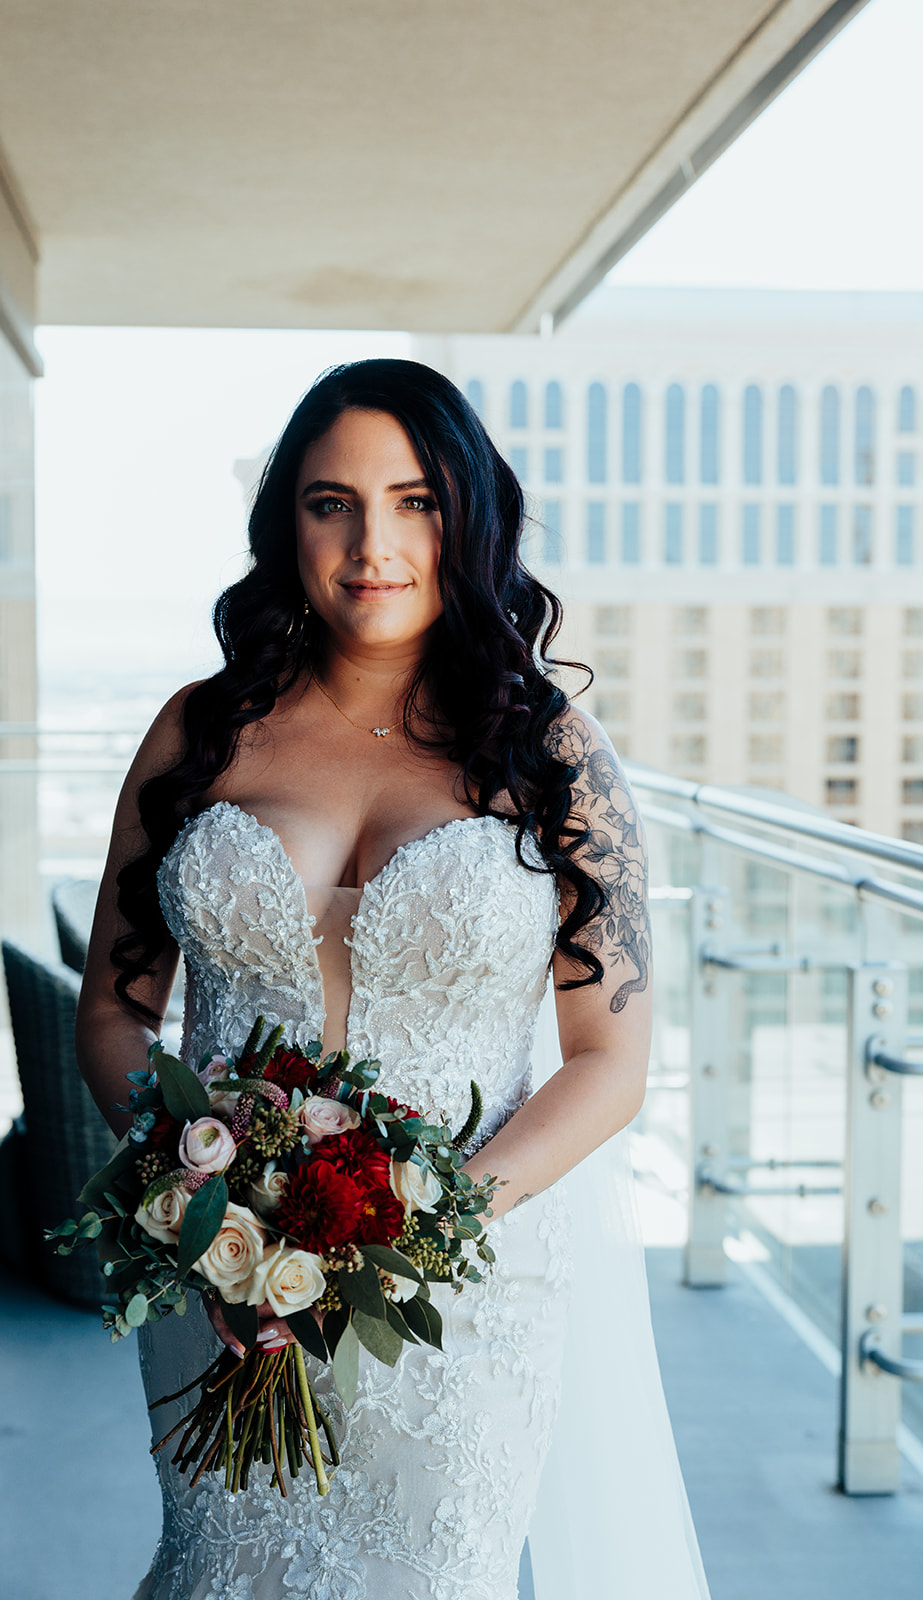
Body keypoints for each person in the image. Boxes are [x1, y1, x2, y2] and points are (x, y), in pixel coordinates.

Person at [76, 358, 711, 1600]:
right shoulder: (199, 730)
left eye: (413, 500)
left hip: (464, 1300)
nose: (373, 543)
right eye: (331, 503)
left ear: (466, 515)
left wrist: (431, 1227)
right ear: (285, 525)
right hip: (220, 1285)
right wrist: (193, 1203)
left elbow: (609, 1061)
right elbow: (113, 1008)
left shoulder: (552, 751)